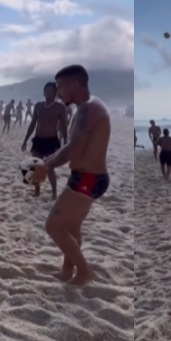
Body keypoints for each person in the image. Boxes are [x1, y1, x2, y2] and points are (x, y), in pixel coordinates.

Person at [29, 64, 110, 288]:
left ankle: (84, 272)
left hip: (88, 179)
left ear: (75, 85)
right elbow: (71, 146)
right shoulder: (87, 106)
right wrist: (45, 163)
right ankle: (67, 271)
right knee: (71, 228)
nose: (58, 93)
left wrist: (45, 166)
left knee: (53, 226)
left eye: (60, 87)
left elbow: (74, 148)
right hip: (87, 177)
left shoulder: (87, 110)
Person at [21, 82, 68, 200]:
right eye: (46, 91)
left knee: (50, 167)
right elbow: (33, 124)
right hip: (38, 140)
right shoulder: (38, 106)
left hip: (52, 141)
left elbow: (64, 126)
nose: (48, 93)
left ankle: (54, 193)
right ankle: (37, 191)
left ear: (55, 93)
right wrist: (25, 139)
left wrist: (66, 141)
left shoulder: (60, 107)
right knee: (36, 166)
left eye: (51, 91)